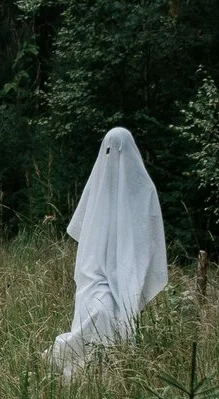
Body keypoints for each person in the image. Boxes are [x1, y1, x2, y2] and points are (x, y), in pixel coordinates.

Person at [48, 126, 168, 379]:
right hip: (94, 273)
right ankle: (76, 366)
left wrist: (131, 267)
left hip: (127, 271)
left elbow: (149, 235)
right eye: (108, 150)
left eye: (117, 150)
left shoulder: (143, 191)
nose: (112, 156)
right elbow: (83, 229)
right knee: (97, 313)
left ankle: (109, 373)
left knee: (117, 320)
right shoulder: (98, 184)